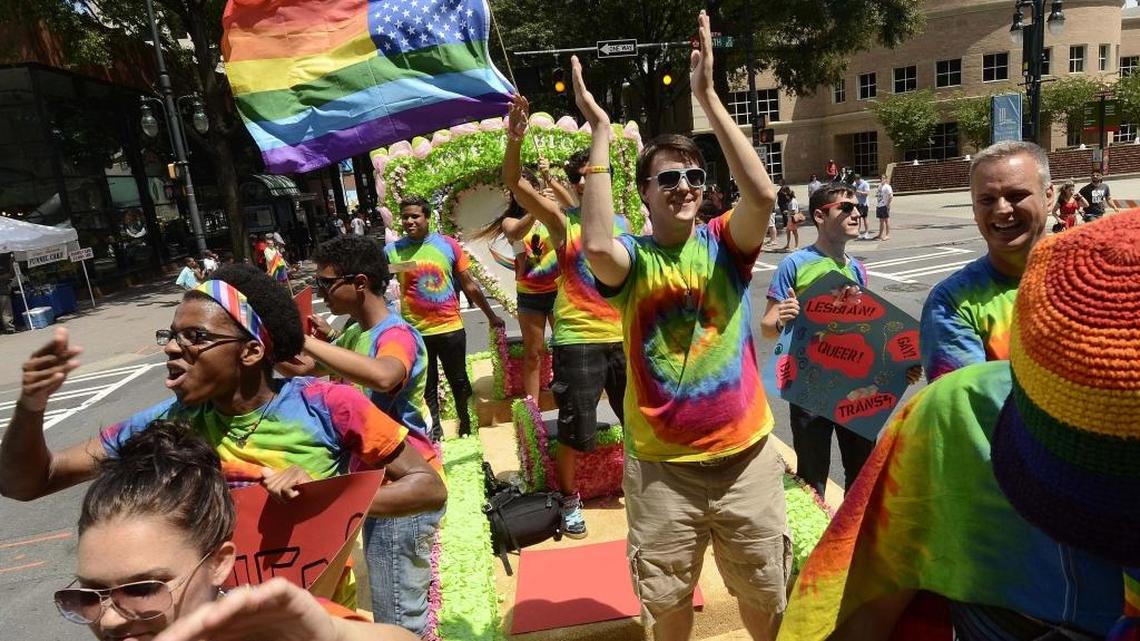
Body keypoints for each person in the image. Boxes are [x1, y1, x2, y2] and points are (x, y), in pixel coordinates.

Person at [0, 264, 447, 614]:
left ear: (251, 351)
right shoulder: (168, 424)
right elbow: (31, 481)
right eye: (171, 336)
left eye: (195, 337)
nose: (173, 348)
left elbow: (427, 486)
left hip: (319, 621)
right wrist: (31, 405)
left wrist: (326, 496)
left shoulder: (327, 406)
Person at [779, 213, 1137, 641]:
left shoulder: (954, 402)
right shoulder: (957, 406)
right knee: (815, 472)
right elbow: (878, 579)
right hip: (1002, 619)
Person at [575, 11, 789, 640]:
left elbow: (764, 196)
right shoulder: (634, 261)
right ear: (643, 192)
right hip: (663, 469)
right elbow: (593, 244)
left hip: (746, 458)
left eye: (694, 177)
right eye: (668, 178)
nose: (685, 186)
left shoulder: (726, 244)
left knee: (766, 593)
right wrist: (602, 132)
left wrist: (708, 98)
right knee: (666, 605)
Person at [56, 420, 418, 641]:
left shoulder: (282, 629)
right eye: (89, 595)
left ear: (219, 562)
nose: (111, 619)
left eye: (144, 589)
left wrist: (336, 635)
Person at [278, 235, 441, 635]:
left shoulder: (396, 334)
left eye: (326, 284)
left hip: (404, 484)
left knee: (400, 619)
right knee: (393, 609)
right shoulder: (354, 334)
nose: (320, 293)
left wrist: (307, 342)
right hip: (374, 484)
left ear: (361, 283)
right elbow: (303, 372)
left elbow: (385, 375)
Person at [501, 95, 628, 540]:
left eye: (601, 176)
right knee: (576, 428)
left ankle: (645, 486)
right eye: (588, 177)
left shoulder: (626, 224)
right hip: (578, 340)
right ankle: (571, 500)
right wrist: (514, 138)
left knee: (638, 420)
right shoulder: (562, 222)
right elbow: (515, 183)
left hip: (625, 338)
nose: (595, 184)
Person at [761, 184, 873, 497]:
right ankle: (815, 540)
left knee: (862, 475)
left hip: (854, 387)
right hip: (810, 388)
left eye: (858, 208)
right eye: (846, 208)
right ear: (820, 216)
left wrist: (896, 366)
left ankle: (850, 540)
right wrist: (783, 314)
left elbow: (866, 330)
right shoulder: (794, 264)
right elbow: (767, 327)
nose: (856, 214)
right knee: (812, 478)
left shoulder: (859, 269)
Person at [920, 141, 1053, 382]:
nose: (1002, 209)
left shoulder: (1103, 273)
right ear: (974, 209)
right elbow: (965, 407)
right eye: (987, 200)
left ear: (1049, 197)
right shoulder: (952, 301)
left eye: (1016, 195)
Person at [386, 198, 504, 439]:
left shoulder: (448, 246)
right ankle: (435, 432)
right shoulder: (392, 252)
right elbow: (378, 290)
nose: (410, 221)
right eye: (405, 216)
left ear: (427, 218)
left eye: (415, 216)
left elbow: (469, 285)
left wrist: (491, 315)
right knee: (426, 386)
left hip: (450, 328)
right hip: (416, 333)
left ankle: (466, 423)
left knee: (459, 381)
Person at [484, 156, 561, 402]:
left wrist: (552, 199)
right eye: (518, 190)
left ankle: (566, 395)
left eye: (528, 189)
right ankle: (533, 408)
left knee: (565, 347)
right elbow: (517, 233)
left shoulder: (553, 212)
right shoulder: (511, 221)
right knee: (533, 352)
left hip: (560, 292)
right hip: (530, 295)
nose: (521, 194)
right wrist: (536, 207)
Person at [874, 174, 893, 241]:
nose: (882, 179)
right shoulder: (880, 186)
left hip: (884, 205)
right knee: (881, 221)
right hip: (879, 205)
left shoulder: (887, 187)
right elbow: (878, 194)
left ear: (886, 179)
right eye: (881, 178)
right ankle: (880, 235)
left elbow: (891, 196)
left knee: (886, 220)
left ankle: (887, 235)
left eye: (883, 178)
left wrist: (887, 204)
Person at [852, 174, 871, 239]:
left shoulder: (865, 184)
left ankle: (866, 233)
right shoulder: (854, 184)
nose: (855, 182)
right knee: (858, 218)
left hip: (864, 203)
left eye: (856, 180)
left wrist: (859, 192)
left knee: (864, 218)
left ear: (858, 179)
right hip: (857, 203)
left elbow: (867, 193)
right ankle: (857, 232)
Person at [0, 254, 15, 333]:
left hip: (3, 291)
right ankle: (9, 328)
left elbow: (11, 275)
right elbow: (10, 275)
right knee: (6, 312)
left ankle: (9, 328)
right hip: (3, 291)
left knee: (5, 311)